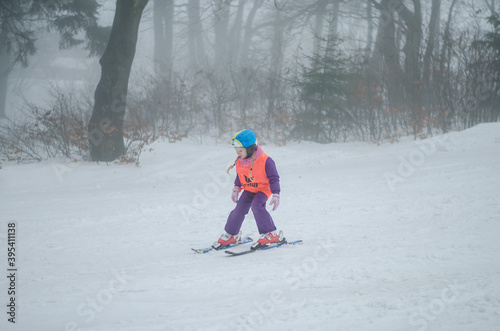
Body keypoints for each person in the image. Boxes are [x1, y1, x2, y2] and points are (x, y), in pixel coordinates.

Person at [212, 129, 282, 250]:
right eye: (236, 151)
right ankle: (231, 235)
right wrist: (236, 187)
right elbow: (240, 175)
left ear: (250, 149)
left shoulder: (266, 161)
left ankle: (271, 234)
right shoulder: (240, 161)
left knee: (257, 206)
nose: (238, 153)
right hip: (249, 189)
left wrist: (276, 193)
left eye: (240, 150)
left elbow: (274, 178)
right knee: (239, 209)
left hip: (263, 189)